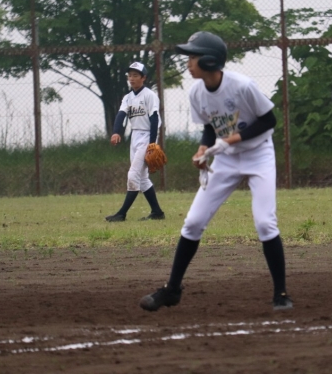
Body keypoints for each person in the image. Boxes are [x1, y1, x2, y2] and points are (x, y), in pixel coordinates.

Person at [139, 31, 292, 312]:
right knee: (193, 222)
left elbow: (269, 120)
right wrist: (202, 150)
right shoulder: (197, 93)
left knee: (265, 223)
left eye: (193, 57)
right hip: (225, 159)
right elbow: (210, 127)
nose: (188, 62)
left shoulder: (242, 86)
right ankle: (172, 289)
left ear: (210, 60)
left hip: (258, 155)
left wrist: (232, 140)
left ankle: (281, 294)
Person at [105, 61, 165, 222]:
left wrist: (152, 143)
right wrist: (116, 132)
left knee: (133, 174)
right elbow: (121, 115)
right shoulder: (128, 97)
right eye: (130, 75)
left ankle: (121, 214)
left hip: (147, 135)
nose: (131, 78)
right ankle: (157, 212)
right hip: (135, 136)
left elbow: (154, 119)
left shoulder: (149, 95)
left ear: (143, 78)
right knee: (143, 178)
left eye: (135, 75)